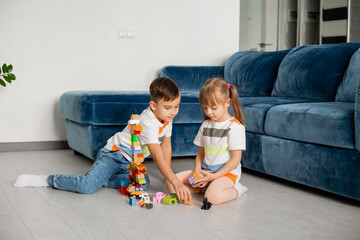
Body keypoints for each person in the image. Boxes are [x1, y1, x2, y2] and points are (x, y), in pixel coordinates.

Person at [14, 77, 192, 202]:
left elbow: (166, 146)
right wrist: (175, 181)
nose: (174, 112)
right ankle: (48, 180)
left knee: (143, 182)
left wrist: (168, 179)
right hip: (114, 155)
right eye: (168, 107)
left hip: (130, 163)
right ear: (153, 106)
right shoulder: (148, 122)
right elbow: (157, 155)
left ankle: (102, 180)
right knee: (87, 186)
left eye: (177, 106)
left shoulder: (167, 118)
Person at [165, 78, 247, 208]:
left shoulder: (235, 127)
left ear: (227, 103)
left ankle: (238, 189)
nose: (209, 112)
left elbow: (236, 159)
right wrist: (197, 173)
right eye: (205, 108)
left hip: (225, 174)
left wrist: (215, 177)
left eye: (213, 108)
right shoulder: (206, 124)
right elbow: (200, 155)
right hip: (205, 172)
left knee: (211, 198)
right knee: (171, 182)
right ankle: (201, 189)